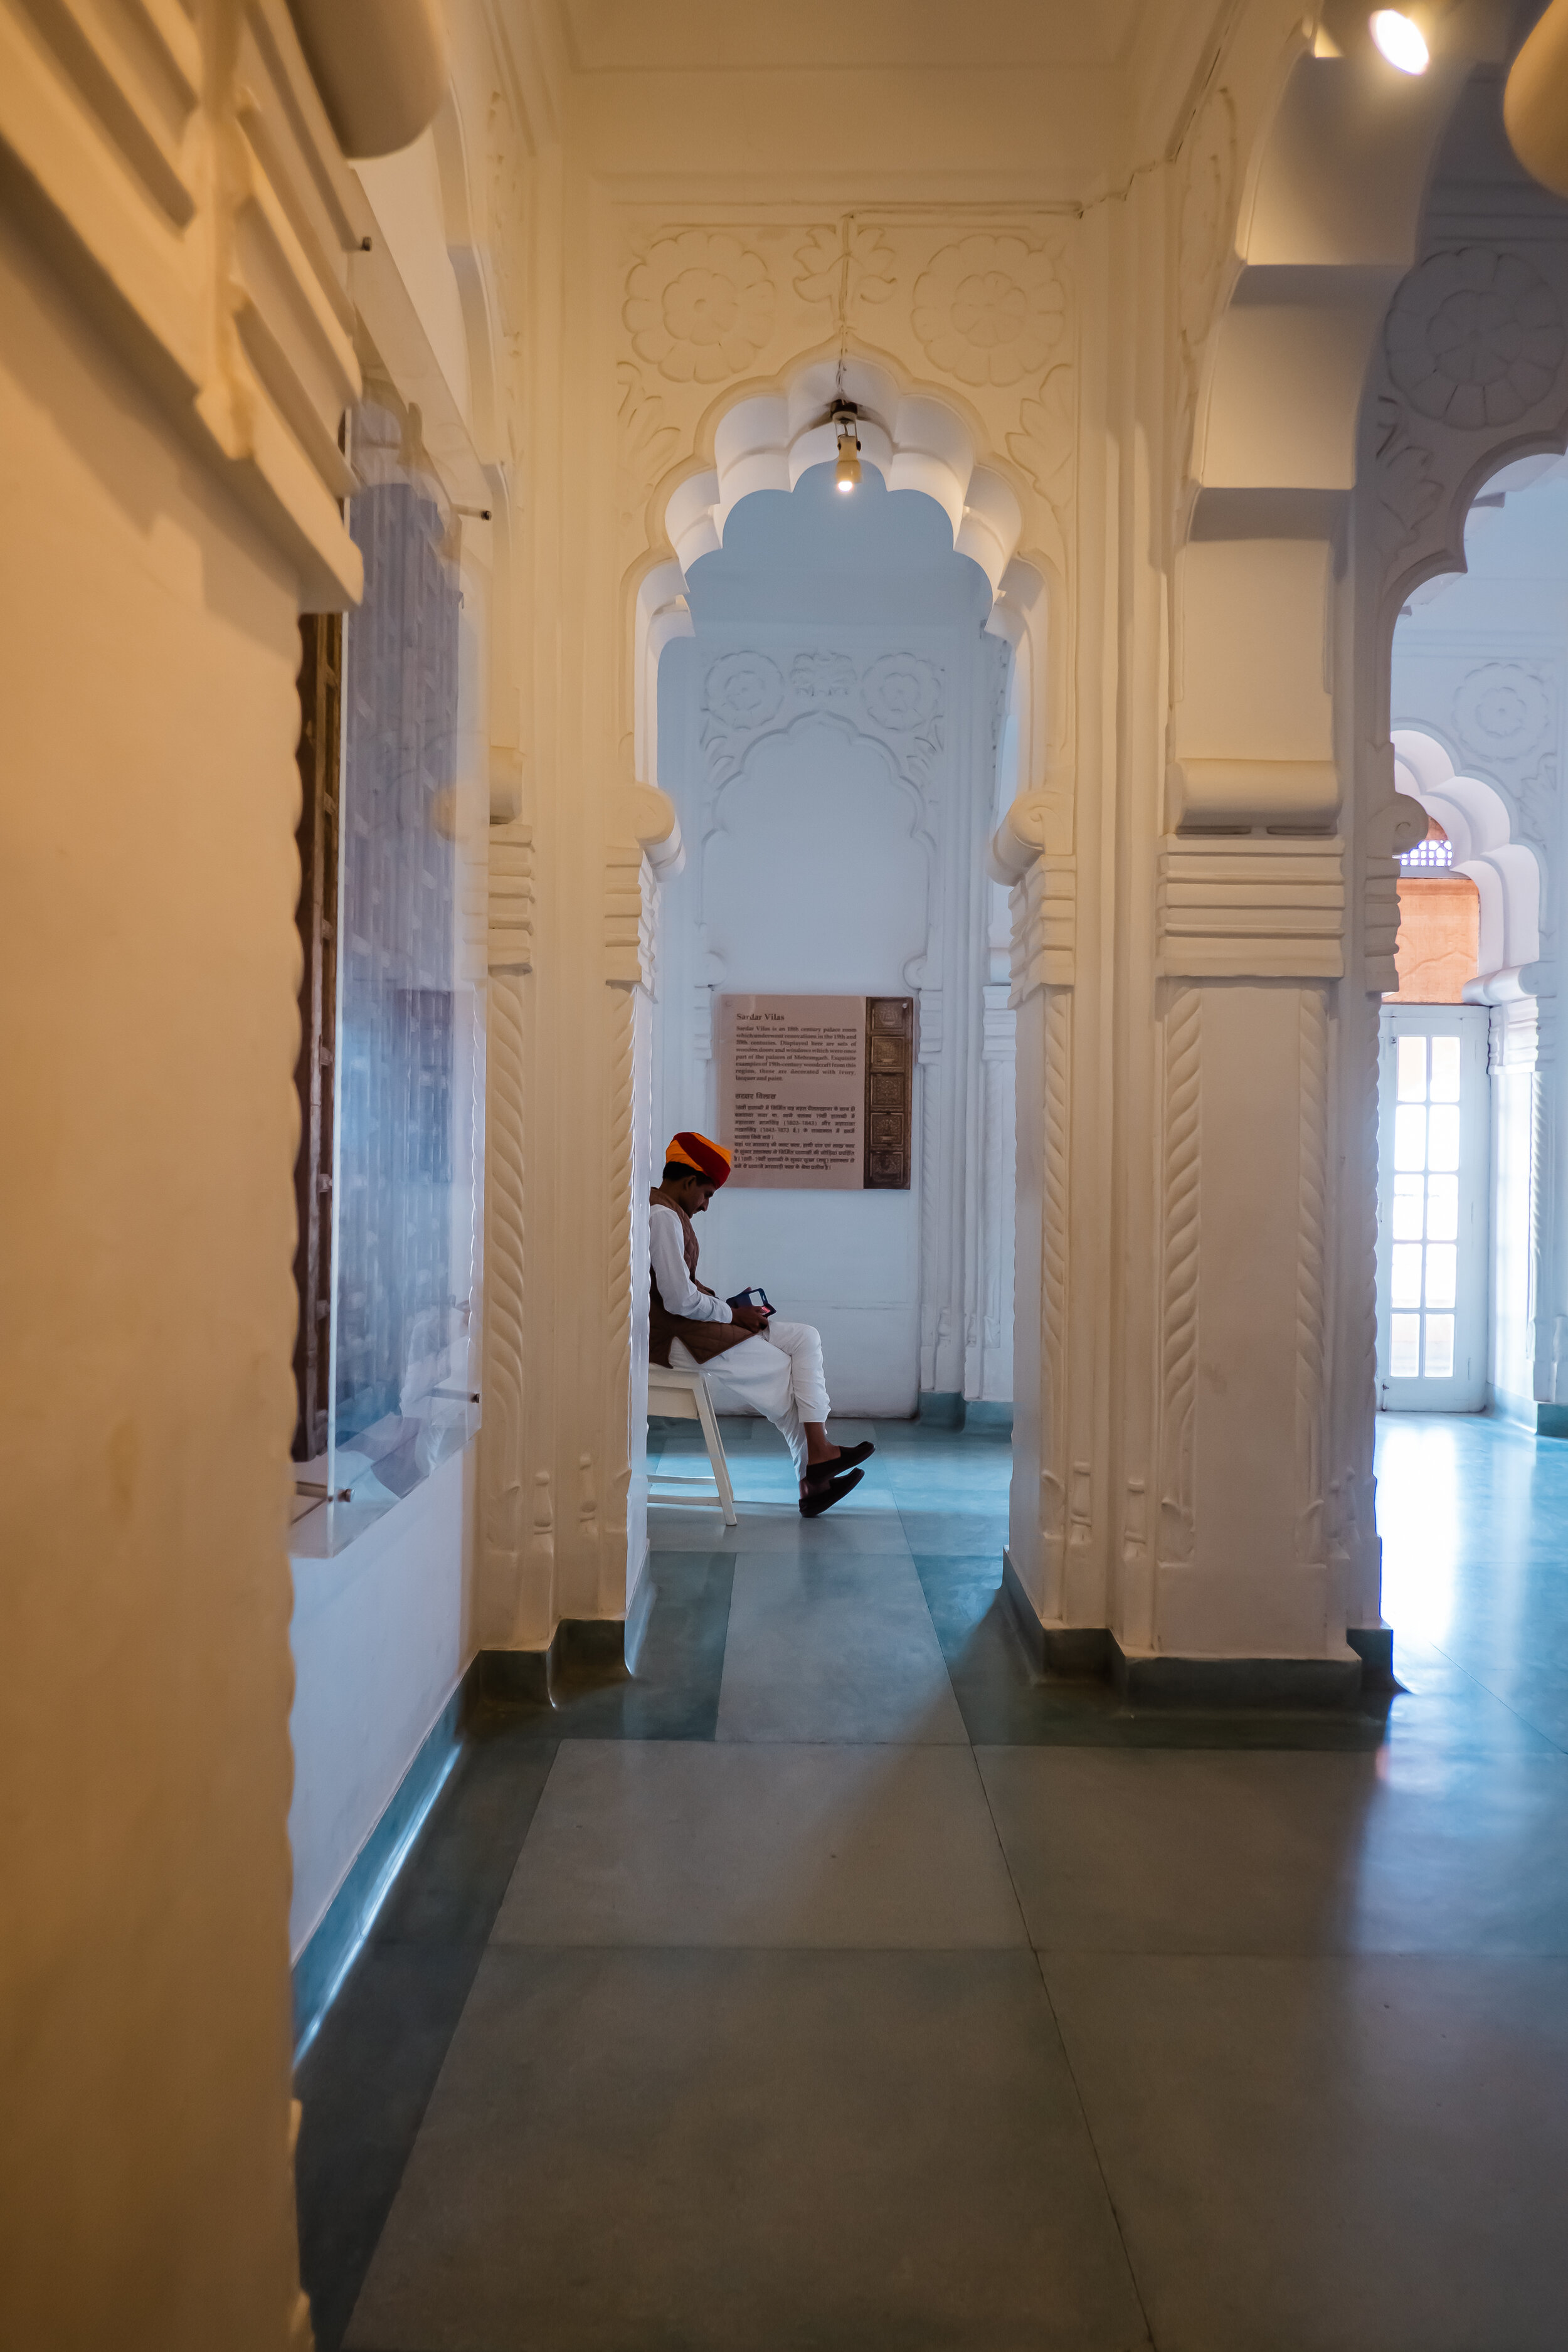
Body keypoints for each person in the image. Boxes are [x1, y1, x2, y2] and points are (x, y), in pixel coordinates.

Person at [649, 1130, 873, 1518]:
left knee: (805, 1338)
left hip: (693, 1327)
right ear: (689, 1182)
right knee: (788, 1376)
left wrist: (728, 1308)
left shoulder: (671, 1212)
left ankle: (817, 1462)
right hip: (676, 1338)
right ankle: (814, 1474)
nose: (705, 1207)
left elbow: (683, 1293)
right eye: (707, 1195)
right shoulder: (661, 1216)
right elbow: (678, 1300)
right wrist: (732, 1314)